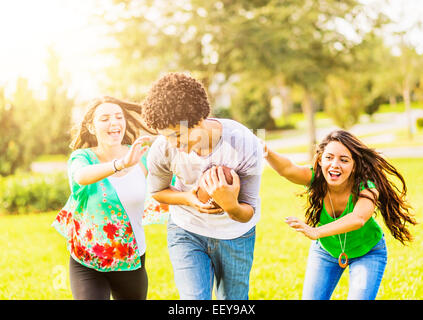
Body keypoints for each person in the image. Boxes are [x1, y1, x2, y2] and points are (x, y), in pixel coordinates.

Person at [141, 72, 263, 300]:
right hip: (187, 231)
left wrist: (230, 205)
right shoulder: (163, 148)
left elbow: (249, 211)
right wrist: (190, 198)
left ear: (199, 120)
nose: (172, 144)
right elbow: (157, 191)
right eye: (166, 137)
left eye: (178, 135)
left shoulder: (244, 143)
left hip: (236, 235)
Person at [263, 129, 417, 300]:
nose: (335, 164)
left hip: (367, 252)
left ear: (354, 166)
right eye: (329, 157)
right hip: (326, 250)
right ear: (320, 160)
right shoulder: (315, 179)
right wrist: (266, 151)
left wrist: (317, 232)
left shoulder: (367, 188)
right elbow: (287, 169)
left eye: (344, 160)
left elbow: (358, 218)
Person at [52, 96, 156, 300]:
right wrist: (121, 164)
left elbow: (172, 180)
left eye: (119, 117)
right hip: (87, 261)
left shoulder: (142, 155)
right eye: (105, 118)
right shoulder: (81, 158)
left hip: (131, 258)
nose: (114, 122)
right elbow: (81, 177)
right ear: (91, 127)